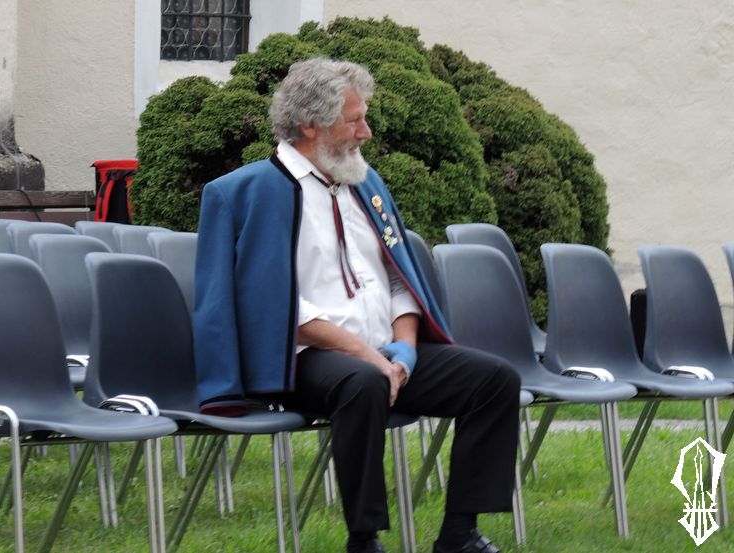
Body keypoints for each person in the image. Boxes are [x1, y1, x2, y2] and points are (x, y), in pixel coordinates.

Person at [193, 57, 521, 553]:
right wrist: (366, 355)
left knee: (494, 380)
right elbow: (271, 305)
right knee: (363, 383)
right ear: (311, 125)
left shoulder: (365, 182)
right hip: (302, 359)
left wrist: (404, 350)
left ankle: (460, 535)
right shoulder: (245, 192)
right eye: (354, 120)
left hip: (385, 353)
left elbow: (398, 277)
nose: (366, 132)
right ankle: (363, 539)